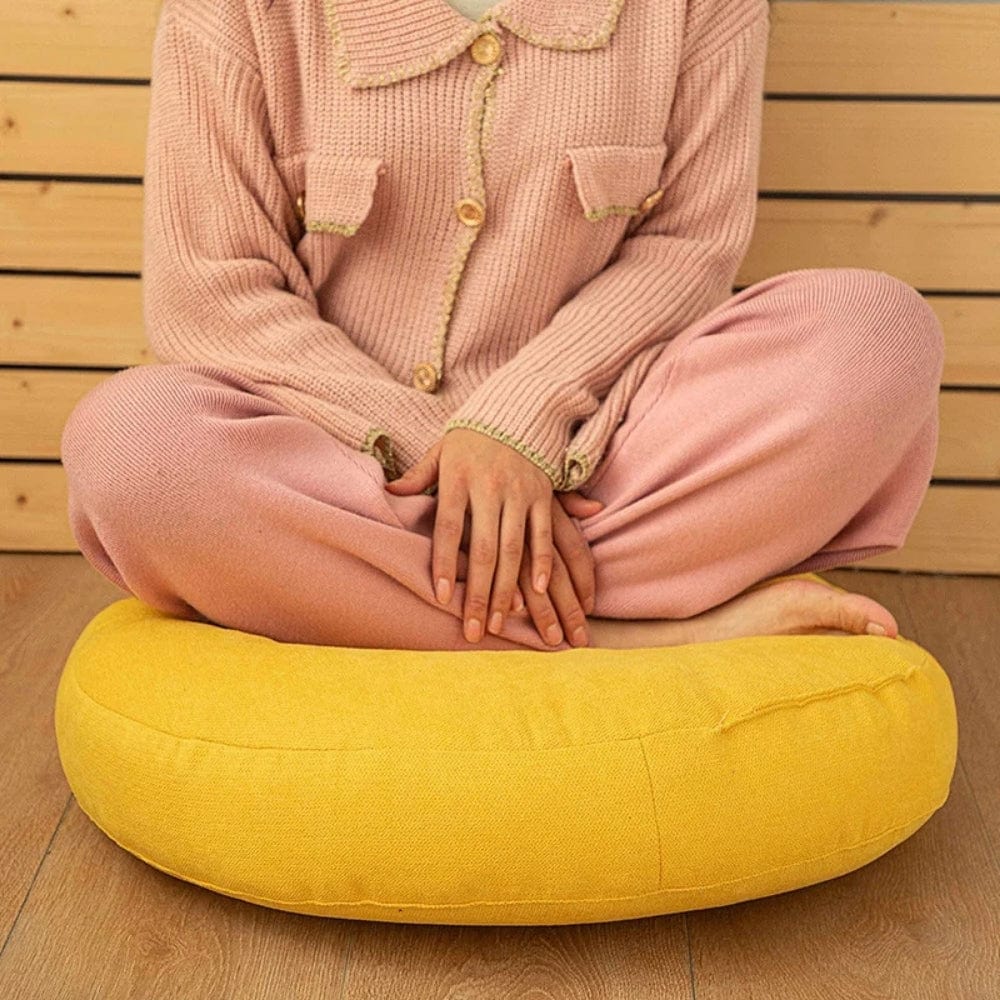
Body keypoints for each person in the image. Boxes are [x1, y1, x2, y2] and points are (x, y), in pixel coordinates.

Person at [60, 0, 944, 653]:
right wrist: (441, 449)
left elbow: (689, 248)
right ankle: (631, 636)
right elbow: (208, 294)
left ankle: (405, 609)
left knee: (875, 333)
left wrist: (517, 424)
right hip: (344, 475)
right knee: (133, 447)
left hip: (603, 458)